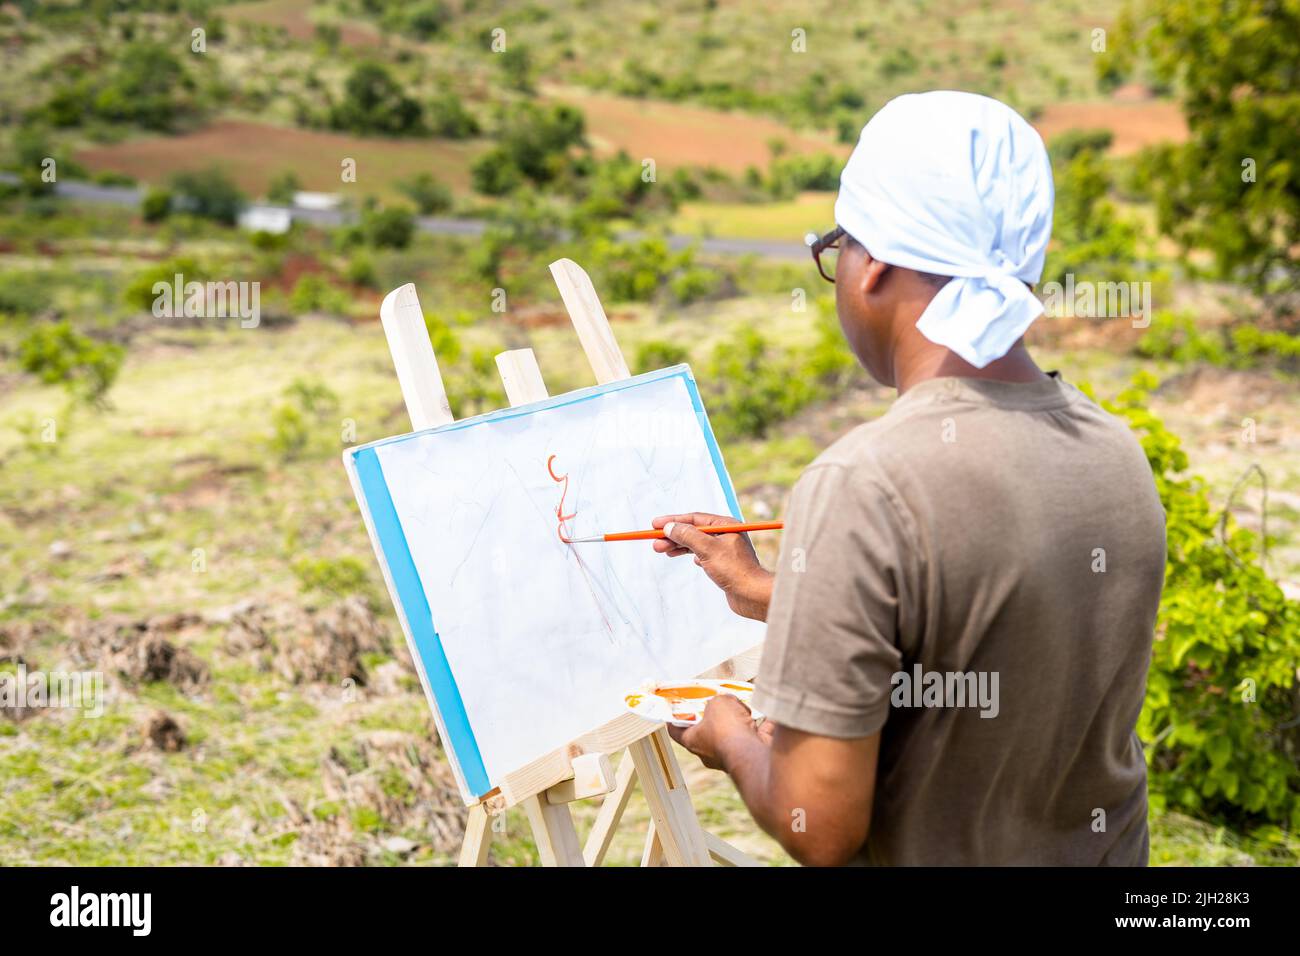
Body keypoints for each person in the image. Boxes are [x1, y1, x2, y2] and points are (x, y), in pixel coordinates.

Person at [652, 91, 1167, 866]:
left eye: (836, 248)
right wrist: (758, 590)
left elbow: (817, 822)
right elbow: (975, 625)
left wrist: (729, 735)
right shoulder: (1114, 451)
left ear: (873, 265)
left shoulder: (865, 481)